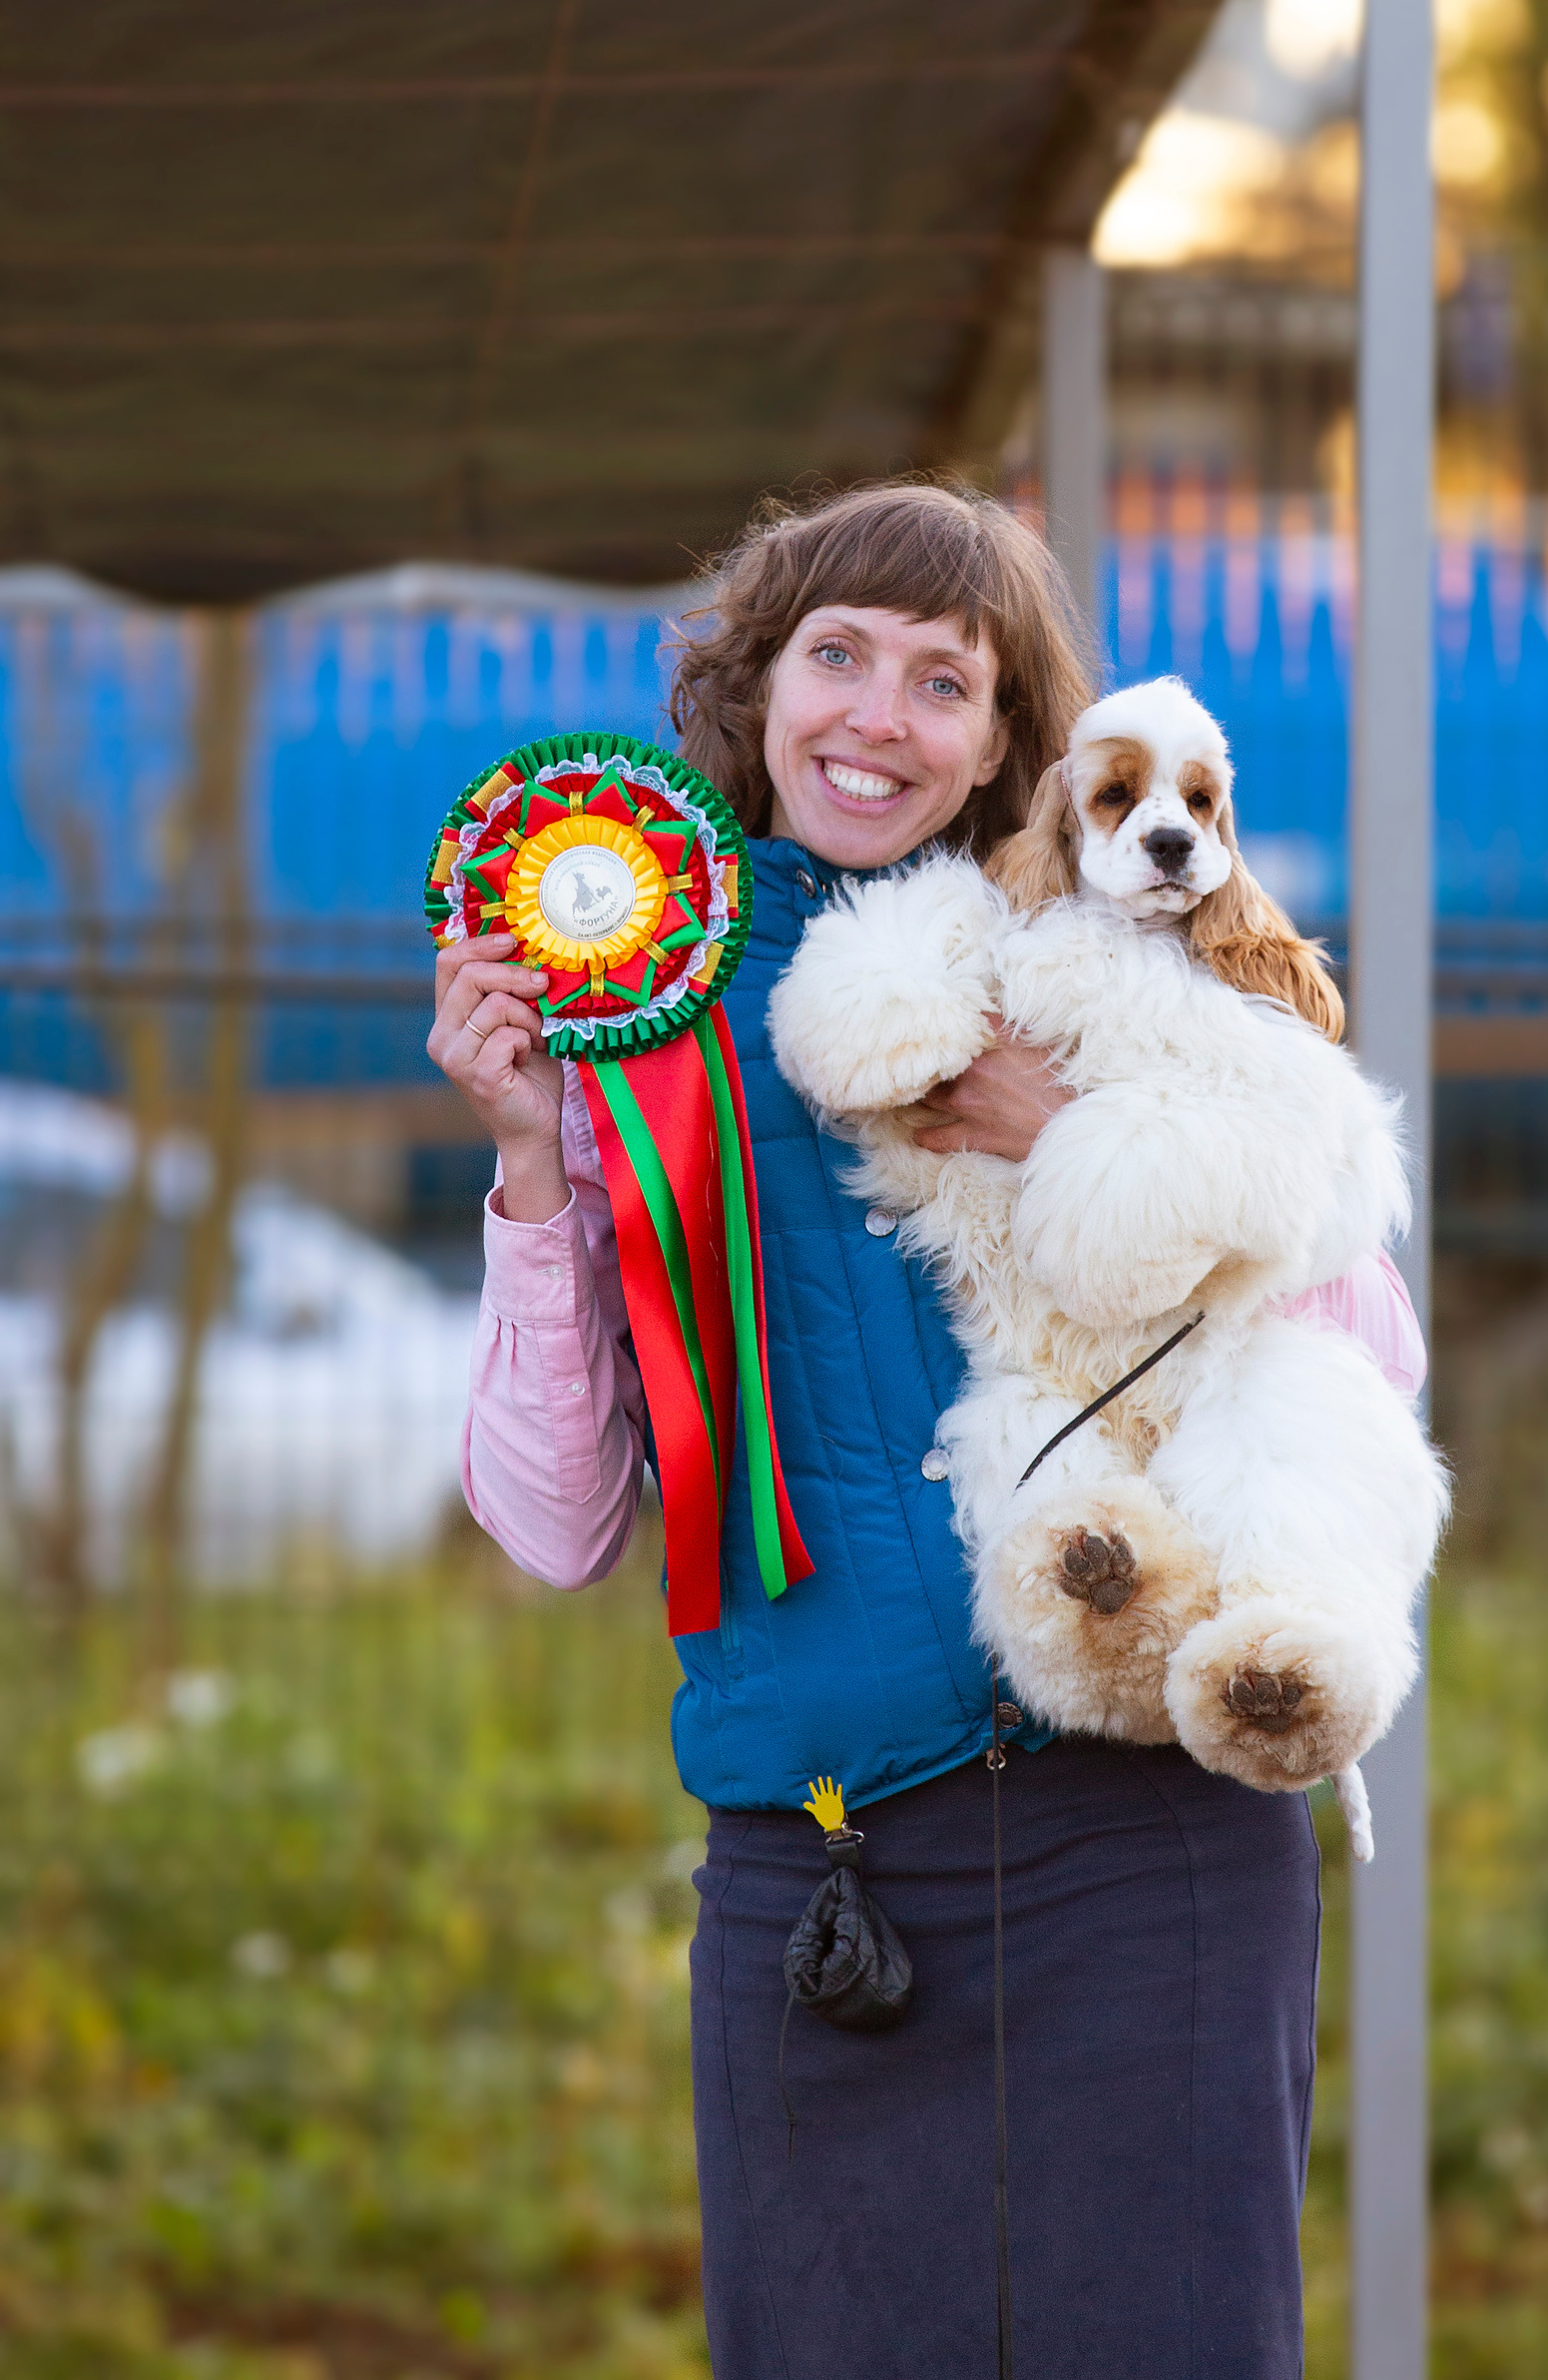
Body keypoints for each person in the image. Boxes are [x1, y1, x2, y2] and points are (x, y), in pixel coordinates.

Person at [428, 480, 1424, 2380]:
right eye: (838, 658)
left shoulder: (1127, 962)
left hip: (1149, 1843)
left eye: (943, 681)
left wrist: (1087, 1137)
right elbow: (557, 1526)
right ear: (758, 685)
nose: (879, 719)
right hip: (823, 1867)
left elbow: (1364, 1345)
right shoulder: (629, 1020)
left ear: (1008, 742)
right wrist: (532, 1171)